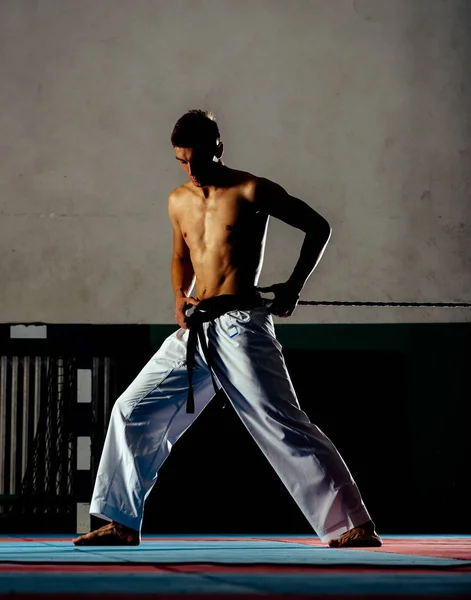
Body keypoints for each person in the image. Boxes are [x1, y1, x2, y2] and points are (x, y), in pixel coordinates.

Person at [73, 110, 381, 548]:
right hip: (197, 327)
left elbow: (318, 226)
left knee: (278, 420)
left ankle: (354, 523)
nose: (191, 170)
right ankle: (120, 522)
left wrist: (293, 287)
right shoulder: (178, 199)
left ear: (218, 147)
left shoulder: (251, 189)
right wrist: (180, 295)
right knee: (131, 409)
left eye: (197, 159)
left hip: (242, 325)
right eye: (181, 161)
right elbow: (181, 254)